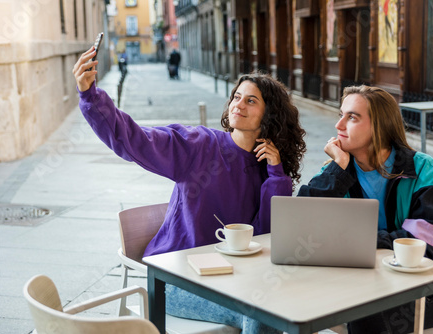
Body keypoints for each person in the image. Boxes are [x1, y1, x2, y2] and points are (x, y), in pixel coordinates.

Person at [73, 46, 306, 333]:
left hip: (232, 277)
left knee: (288, 305)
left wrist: (275, 174)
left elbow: (265, 237)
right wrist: (91, 96)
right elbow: (136, 140)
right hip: (176, 279)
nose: (238, 105)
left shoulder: (266, 168)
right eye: (236, 97)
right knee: (260, 314)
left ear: (269, 116)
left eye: (251, 101)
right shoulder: (200, 145)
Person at [297, 85, 433, 333]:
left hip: (432, 286)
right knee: (294, 303)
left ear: (380, 126)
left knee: (366, 320)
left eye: (352, 117)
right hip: (366, 281)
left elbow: (431, 242)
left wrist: (358, 241)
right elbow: (300, 225)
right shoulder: (337, 170)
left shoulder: (421, 169)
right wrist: (338, 170)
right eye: (341, 115)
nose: (339, 125)